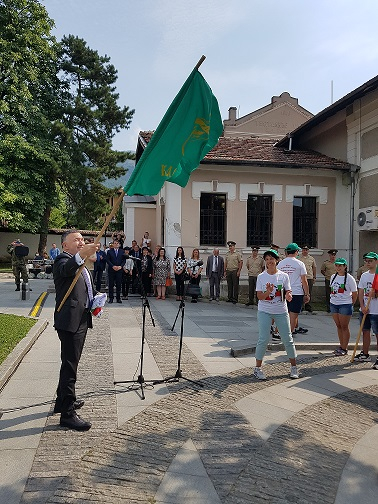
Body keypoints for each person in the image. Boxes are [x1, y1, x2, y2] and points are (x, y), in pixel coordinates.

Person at [53, 229, 97, 431]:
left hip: (80, 318)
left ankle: (61, 400)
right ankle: (67, 413)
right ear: (65, 245)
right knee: (70, 366)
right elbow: (67, 270)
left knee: (71, 363)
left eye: (82, 239)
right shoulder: (63, 260)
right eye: (76, 240)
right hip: (69, 321)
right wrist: (82, 254)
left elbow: (84, 286)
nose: (81, 242)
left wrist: (95, 298)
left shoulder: (80, 262)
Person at [254, 249, 299, 380]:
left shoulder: (283, 276)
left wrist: (289, 295)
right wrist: (268, 292)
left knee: (288, 339)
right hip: (264, 311)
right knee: (263, 339)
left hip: (281, 311)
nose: (269, 262)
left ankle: (294, 367)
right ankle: (257, 368)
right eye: (267, 259)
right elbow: (260, 296)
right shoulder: (261, 277)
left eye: (271, 259)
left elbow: (288, 290)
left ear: (276, 260)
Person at [278, 243, 310, 334]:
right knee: (293, 315)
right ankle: (289, 334)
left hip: (283, 292)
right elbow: (304, 280)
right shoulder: (300, 264)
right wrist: (306, 294)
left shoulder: (280, 264)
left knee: (283, 314)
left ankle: (279, 332)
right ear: (296, 252)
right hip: (296, 292)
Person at [329, 257, 358, 356]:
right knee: (338, 326)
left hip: (345, 304)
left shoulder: (350, 278)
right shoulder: (333, 276)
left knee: (344, 326)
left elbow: (354, 293)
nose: (338, 267)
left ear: (345, 266)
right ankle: (341, 345)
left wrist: (351, 303)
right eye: (336, 265)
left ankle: (344, 348)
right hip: (334, 303)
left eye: (340, 266)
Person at [355, 252, 378, 365]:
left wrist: (376, 295)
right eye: (366, 261)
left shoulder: (377, 275)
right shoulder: (364, 275)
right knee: (365, 331)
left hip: (376, 310)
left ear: (376, 261)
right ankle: (365, 353)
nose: (368, 263)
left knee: (377, 333)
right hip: (365, 310)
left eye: (370, 261)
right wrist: (362, 306)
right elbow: (360, 291)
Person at [298, 245, 317, 312]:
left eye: (306, 250)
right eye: (304, 250)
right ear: (302, 251)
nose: (305, 251)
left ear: (308, 251)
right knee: (301, 292)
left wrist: (314, 277)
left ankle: (308, 305)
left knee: (309, 292)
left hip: (309, 277)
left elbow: (314, 268)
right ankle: (301, 306)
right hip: (301, 277)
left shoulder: (311, 259)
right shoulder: (299, 258)